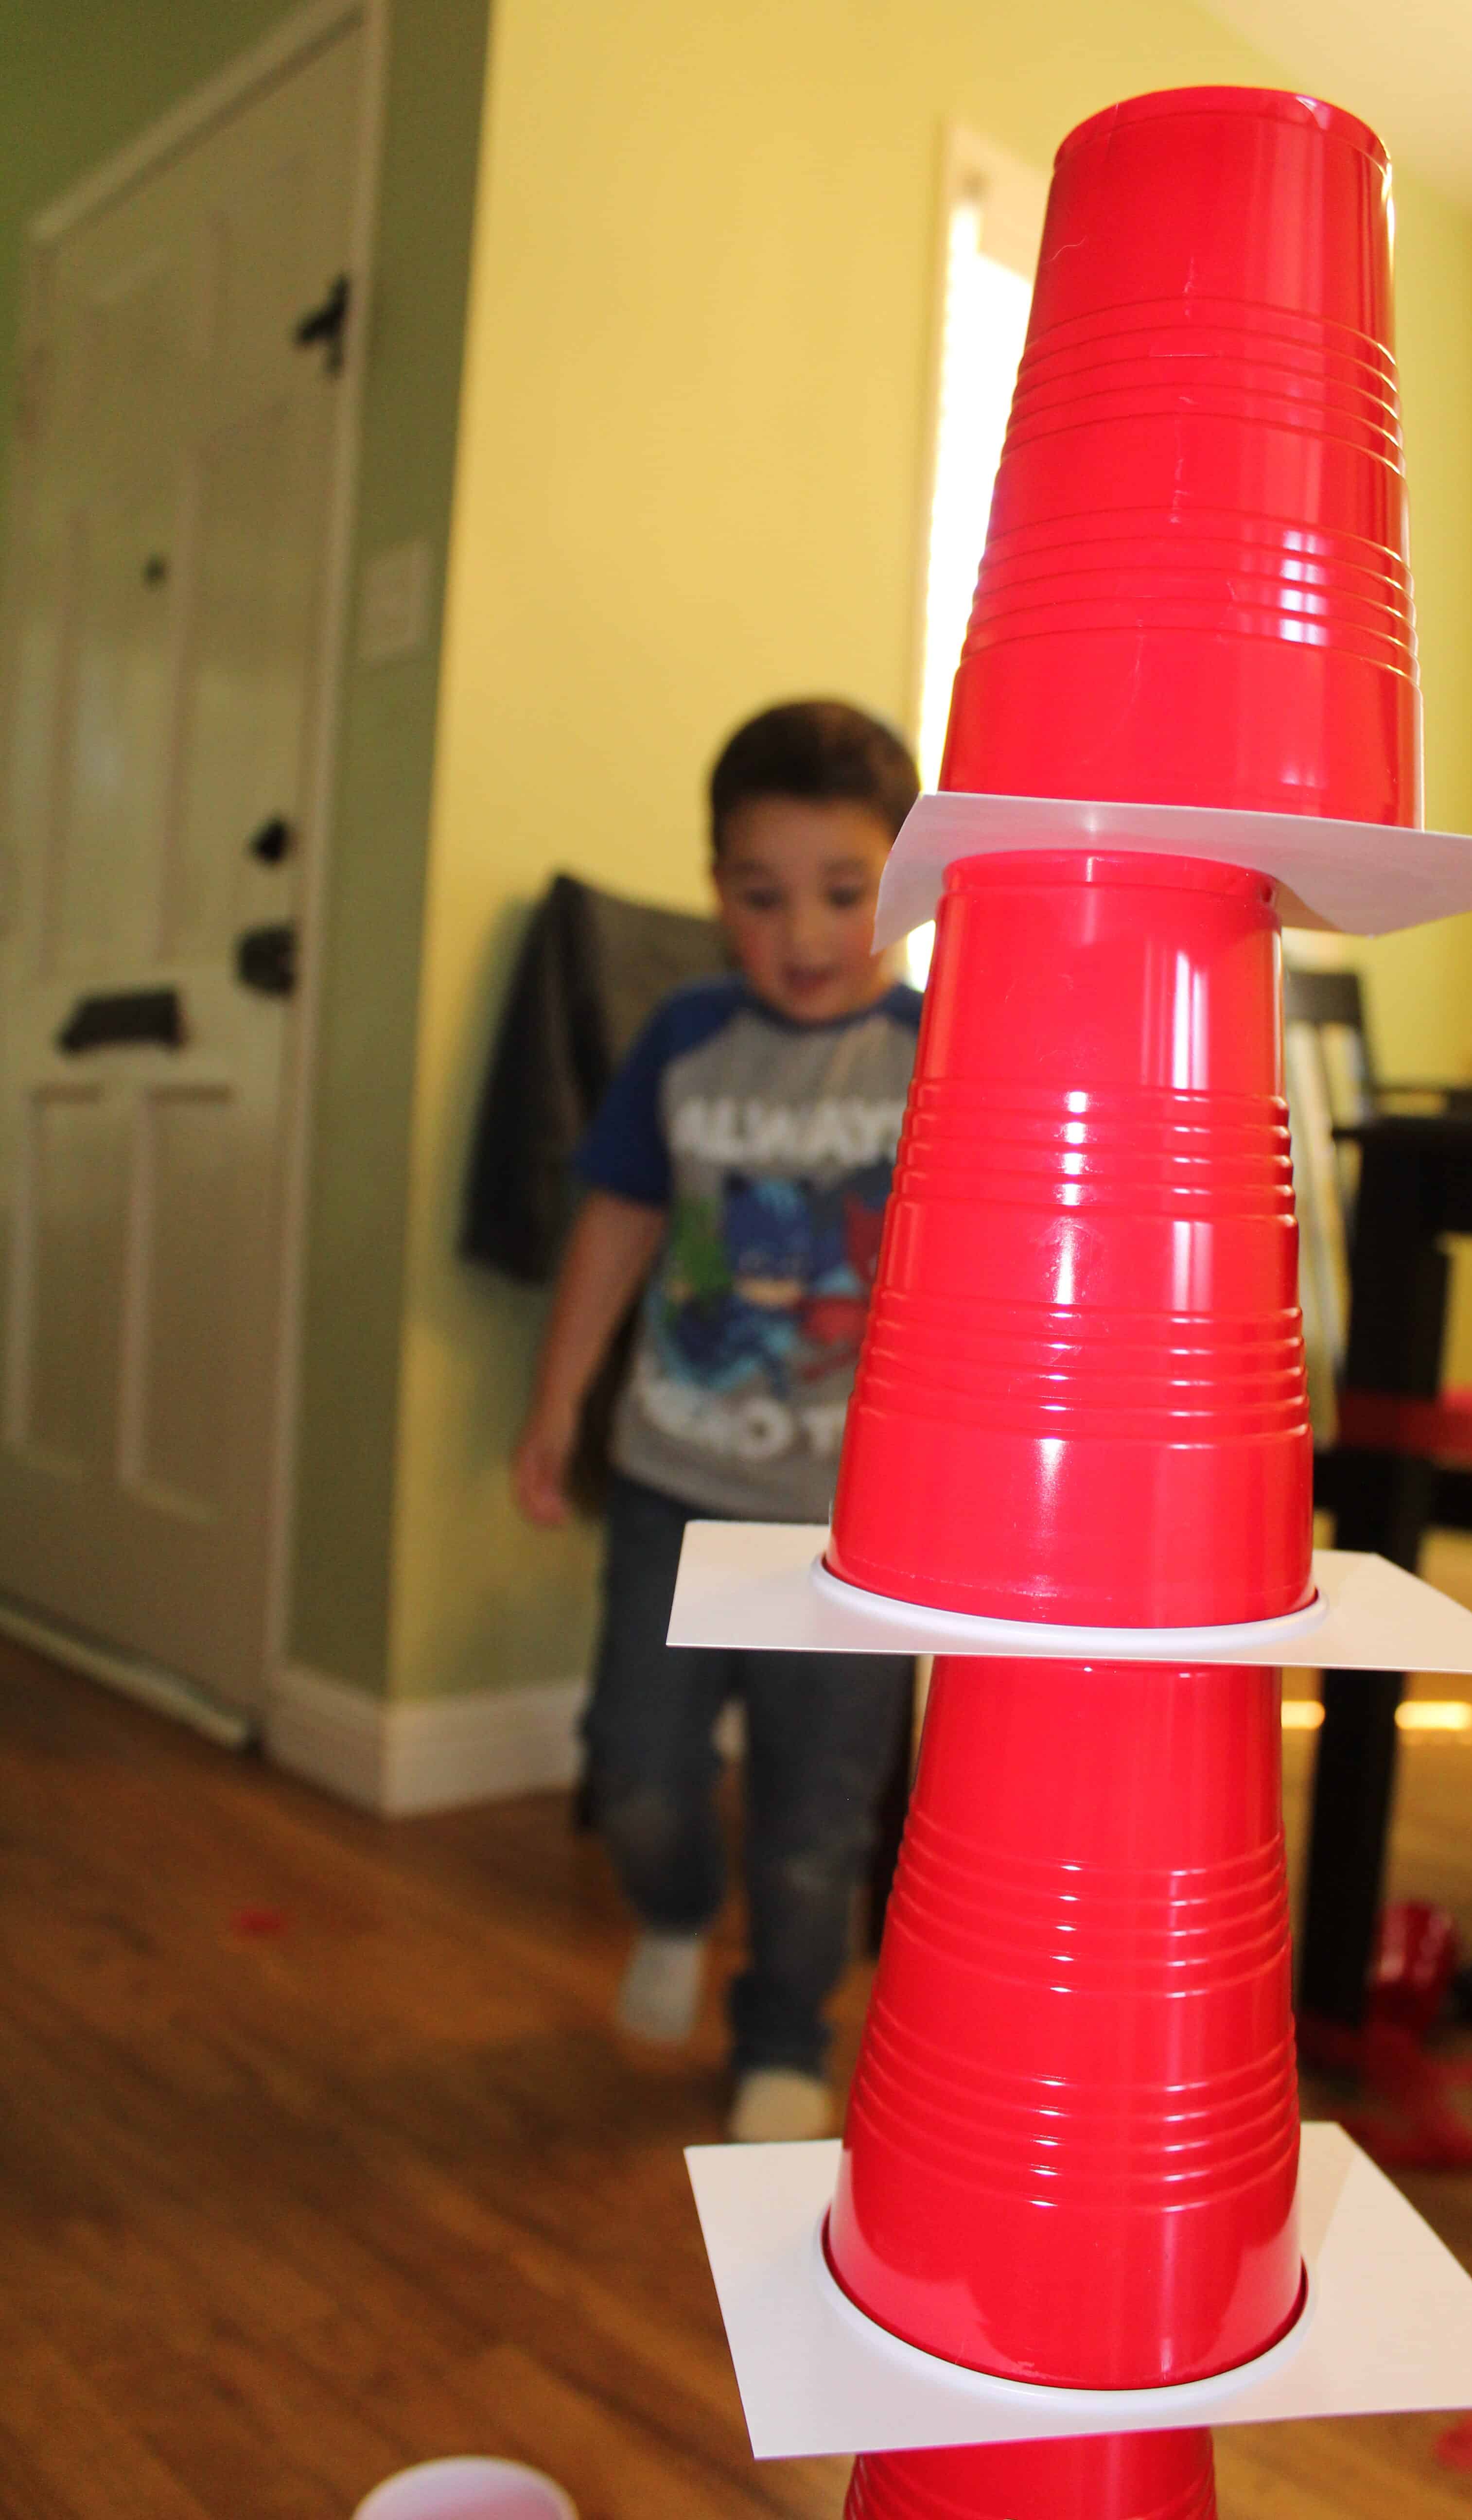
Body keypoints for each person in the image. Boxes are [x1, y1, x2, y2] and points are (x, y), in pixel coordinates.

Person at [512, 699, 921, 2142]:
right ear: (715, 897)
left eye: (842, 891)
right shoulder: (683, 1040)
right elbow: (619, 1214)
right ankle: (677, 1912)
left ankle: (782, 2039)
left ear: (915, 877)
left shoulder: (944, 1056)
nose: (803, 933)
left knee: (819, 1823)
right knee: (639, 1769)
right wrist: (558, 1400)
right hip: (678, 1486)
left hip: (860, 1528)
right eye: (761, 897)